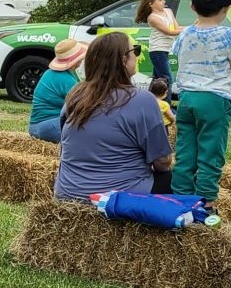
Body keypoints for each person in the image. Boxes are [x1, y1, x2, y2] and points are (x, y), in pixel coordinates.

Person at [53, 32, 173, 202]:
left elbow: (66, 147)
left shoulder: (75, 95)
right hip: (120, 198)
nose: (137, 56)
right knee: (184, 180)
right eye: (135, 51)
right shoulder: (143, 100)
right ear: (123, 60)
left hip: (67, 194)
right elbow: (162, 162)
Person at [169, 0, 231, 203]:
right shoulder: (227, 34)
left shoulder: (184, 33)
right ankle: (206, 200)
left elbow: (178, 55)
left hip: (187, 98)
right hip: (214, 99)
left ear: (192, 7)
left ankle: (181, 198)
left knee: (185, 150)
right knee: (210, 151)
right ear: (227, 8)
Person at [28, 38, 87, 142]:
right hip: (48, 127)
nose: (82, 60)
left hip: (36, 127)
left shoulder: (49, 73)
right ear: (75, 61)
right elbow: (83, 104)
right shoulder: (66, 79)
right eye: (80, 58)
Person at [137, 0, 183, 96]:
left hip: (166, 49)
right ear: (151, 4)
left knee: (157, 80)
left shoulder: (168, 11)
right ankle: (167, 106)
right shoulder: (152, 18)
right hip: (157, 50)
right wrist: (190, 29)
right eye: (160, 0)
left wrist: (192, 27)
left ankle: (149, 101)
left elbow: (177, 27)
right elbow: (170, 32)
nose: (164, 2)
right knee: (167, 79)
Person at [149, 77, 176, 194]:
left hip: (150, 128)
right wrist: (173, 122)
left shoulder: (149, 102)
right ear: (165, 93)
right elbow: (170, 116)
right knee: (163, 147)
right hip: (162, 128)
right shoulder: (164, 104)